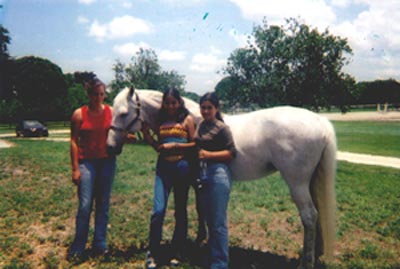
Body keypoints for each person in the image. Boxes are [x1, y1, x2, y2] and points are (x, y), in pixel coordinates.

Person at [142, 88, 196, 269]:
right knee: (158, 210)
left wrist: (175, 145)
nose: (171, 106)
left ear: (179, 102)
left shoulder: (187, 120)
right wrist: (148, 136)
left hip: (182, 169)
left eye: (174, 102)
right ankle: (153, 252)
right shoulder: (160, 120)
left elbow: (195, 144)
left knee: (180, 211)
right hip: (163, 169)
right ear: (163, 104)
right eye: (167, 102)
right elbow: (156, 144)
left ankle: (177, 250)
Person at [68, 78, 116, 259]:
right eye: (95, 94)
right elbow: (73, 141)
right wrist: (75, 168)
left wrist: (128, 137)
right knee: (85, 205)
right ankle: (78, 246)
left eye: (102, 94)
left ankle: (100, 244)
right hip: (86, 162)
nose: (98, 97)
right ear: (88, 94)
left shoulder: (111, 112)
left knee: (103, 204)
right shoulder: (79, 114)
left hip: (107, 162)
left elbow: (116, 134)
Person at [195, 92, 236, 269]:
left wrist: (209, 155)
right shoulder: (201, 125)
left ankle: (220, 263)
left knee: (218, 221)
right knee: (209, 220)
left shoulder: (222, 128)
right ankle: (212, 256)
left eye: (209, 107)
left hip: (218, 173)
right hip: (202, 174)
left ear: (216, 108)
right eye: (203, 107)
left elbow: (232, 153)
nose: (205, 111)